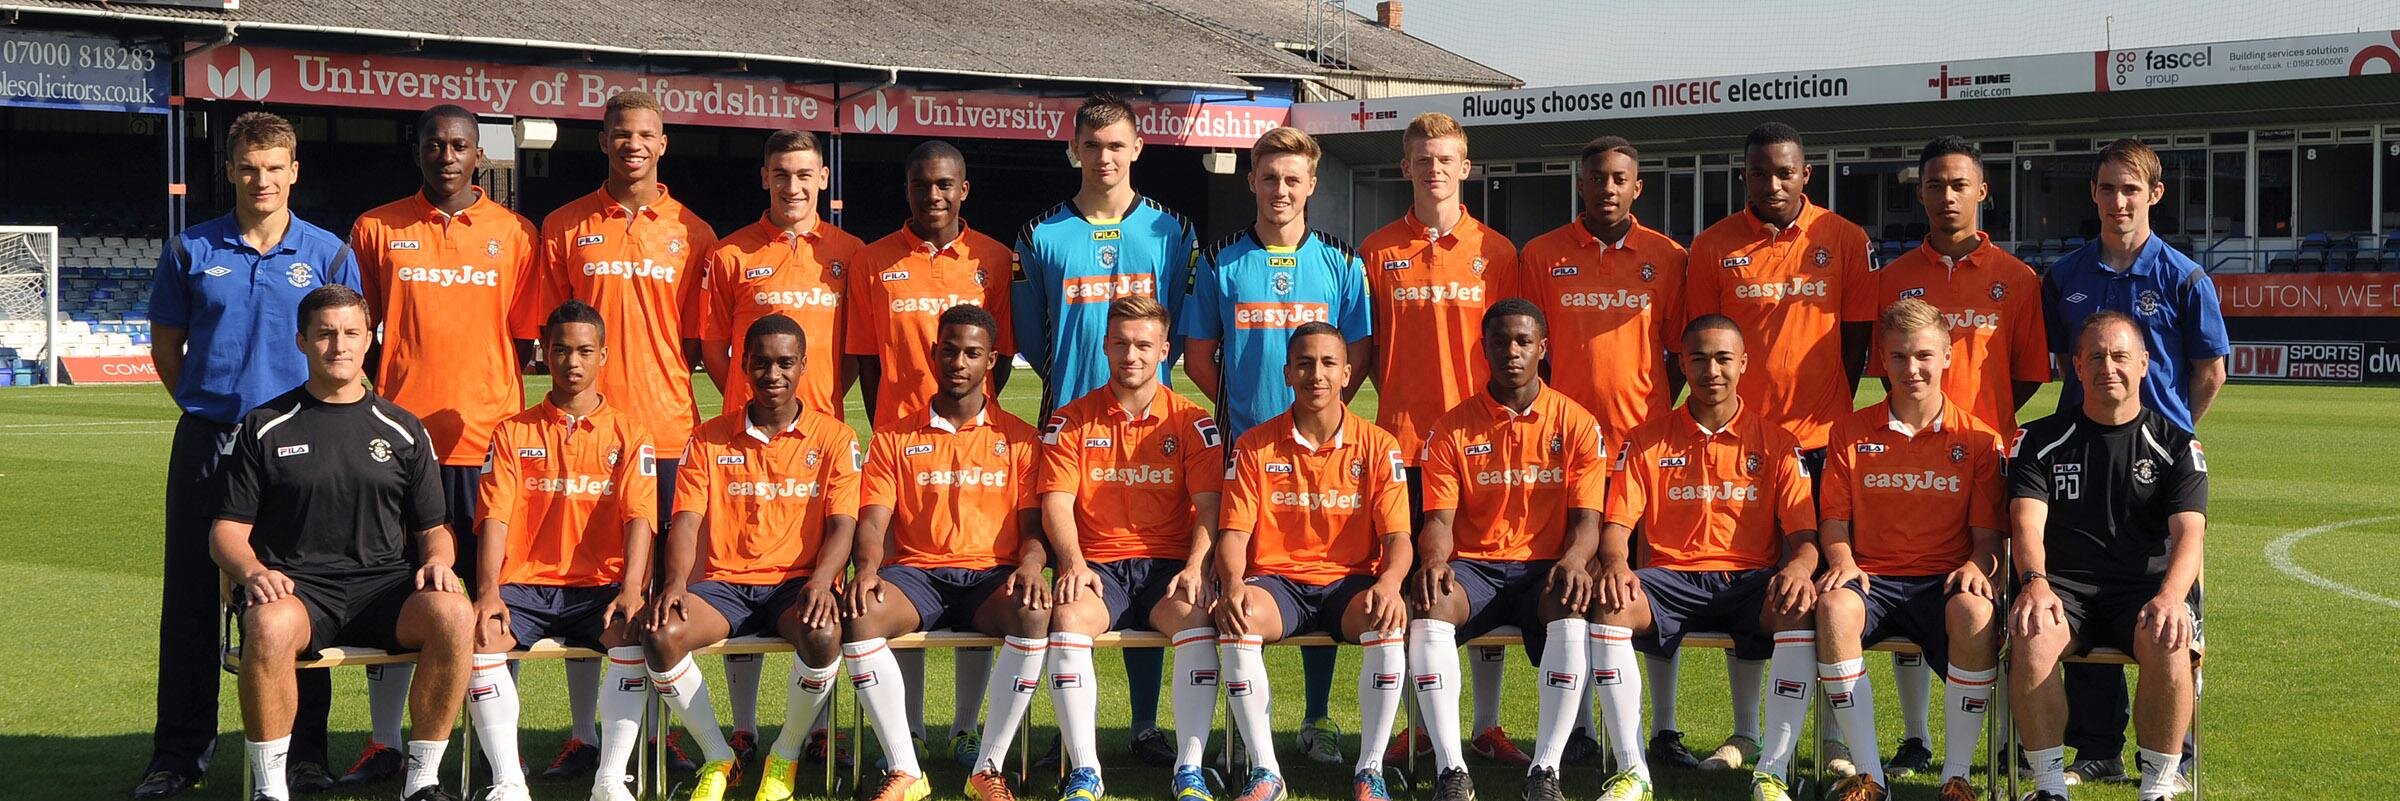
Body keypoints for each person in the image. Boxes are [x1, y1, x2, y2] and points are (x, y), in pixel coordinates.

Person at [139, 110, 362, 800]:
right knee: (191, 602)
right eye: (248, 168)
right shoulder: (191, 249)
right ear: (231, 171)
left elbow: (346, 344)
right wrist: (207, 404)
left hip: (298, 446)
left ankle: (305, 755)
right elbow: (167, 345)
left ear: (294, 171)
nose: (261, 180)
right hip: (210, 442)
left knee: (301, 597)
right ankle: (177, 757)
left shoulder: (328, 253)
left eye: (273, 168)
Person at [346, 103, 545, 786]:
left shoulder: (515, 234)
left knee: (493, 595)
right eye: (436, 144)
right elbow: (360, 326)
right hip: (399, 445)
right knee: (399, 589)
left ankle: (500, 749)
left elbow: (524, 338)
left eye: (460, 145)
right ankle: (384, 742)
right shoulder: (376, 227)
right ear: (419, 150)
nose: (448, 156)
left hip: (490, 443)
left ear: (478, 155)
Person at [212, 285, 473, 801]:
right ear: (302, 341)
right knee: (267, 623)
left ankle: (422, 781)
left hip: (383, 591)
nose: (339, 345)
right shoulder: (264, 426)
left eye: (352, 333)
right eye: (325, 334)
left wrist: (439, 561)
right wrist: (253, 572)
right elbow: (227, 532)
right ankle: (270, 788)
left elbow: (433, 528)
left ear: (369, 339)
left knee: (453, 614)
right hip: (299, 590)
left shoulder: (403, 428)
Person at [1682, 121, 1874, 774]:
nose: (1773, 183)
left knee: (1825, 590)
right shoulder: (1713, 245)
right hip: (1745, 444)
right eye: (1760, 172)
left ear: (1806, 174)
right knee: (1753, 581)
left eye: (1785, 171)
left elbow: (1855, 341)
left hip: (1821, 445)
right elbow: (1705, 339)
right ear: (1744, 176)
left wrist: (1826, 409)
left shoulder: (1843, 238)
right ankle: (1745, 734)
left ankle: (1835, 740)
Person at [1011, 95, 1199, 761]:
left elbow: (1178, 329)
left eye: (1116, 144)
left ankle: (1146, 725)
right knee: (1072, 577)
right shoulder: (1039, 233)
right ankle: (1068, 741)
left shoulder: (1173, 231)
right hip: (1072, 427)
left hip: (1151, 428)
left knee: (1146, 557)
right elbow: (1031, 337)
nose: (1104, 157)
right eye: (1091, 145)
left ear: (1138, 147)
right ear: (1074, 151)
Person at [1857, 135, 2047, 776]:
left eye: (1959, 184)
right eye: (1935, 185)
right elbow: (1882, 367)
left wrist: (1979, 421)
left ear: (1982, 191)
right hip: (1906, 454)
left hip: (1987, 458)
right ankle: (1915, 738)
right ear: (1920, 194)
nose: (1947, 196)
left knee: (1992, 600)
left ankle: (2004, 740)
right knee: (1907, 581)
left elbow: (2026, 375)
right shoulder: (1890, 279)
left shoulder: (2017, 279)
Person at [2039, 138, 2227, 784]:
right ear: (2093, 194)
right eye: (2107, 188)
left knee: (2170, 602)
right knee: (2080, 587)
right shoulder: (2064, 276)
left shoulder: (2185, 277)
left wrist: (2171, 440)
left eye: (2131, 188)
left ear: (2155, 194)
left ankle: (2174, 758)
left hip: (2158, 467)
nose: (2118, 200)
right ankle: (2098, 748)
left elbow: (2210, 371)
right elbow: (2057, 361)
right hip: (2080, 460)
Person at [1181, 127, 1370, 760]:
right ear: (1251, 182)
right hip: (1247, 454)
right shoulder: (1221, 260)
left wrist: (1317, 415)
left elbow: (1358, 355)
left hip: (1320, 455)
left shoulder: (1342, 261)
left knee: (1323, 571)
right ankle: (1238, 731)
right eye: (1269, 178)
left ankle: (1317, 719)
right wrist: (1248, 417)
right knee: (1236, 586)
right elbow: (1199, 356)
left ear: (1312, 183)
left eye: (1293, 179)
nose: (1280, 190)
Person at [627, 313, 861, 801]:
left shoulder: (836, 438)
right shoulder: (707, 438)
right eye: (761, 363)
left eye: (785, 363)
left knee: (823, 635)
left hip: (797, 585)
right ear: (743, 365)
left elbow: (843, 525)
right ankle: (719, 756)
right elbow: (686, 521)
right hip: (725, 586)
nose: (772, 374)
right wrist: (675, 582)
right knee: (660, 634)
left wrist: (822, 581)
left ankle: (785, 754)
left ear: (803, 365)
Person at [1587, 315, 1821, 801]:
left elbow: (1805, 539)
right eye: (1698, 359)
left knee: (1799, 607)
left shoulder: (1779, 444)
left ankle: (1772, 772)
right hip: (1670, 579)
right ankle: (1633, 771)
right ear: (1681, 364)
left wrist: (1799, 569)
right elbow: (1616, 531)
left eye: (1723, 359)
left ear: (1744, 363)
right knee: (1610, 605)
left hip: (1749, 580)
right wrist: (1615, 565)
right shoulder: (1646, 440)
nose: (1711, 370)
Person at [1357, 113, 1526, 769]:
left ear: (1466, 167)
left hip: (1483, 446)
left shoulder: (1498, 251)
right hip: (1403, 446)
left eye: (1446, 159)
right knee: (1410, 587)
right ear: (1405, 167)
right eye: (1423, 159)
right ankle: (1419, 726)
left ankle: (1486, 723)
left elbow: (1514, 351)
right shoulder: (1377, 250)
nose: (1435, 169)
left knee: (1479, 573)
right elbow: (1369, 350)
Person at [1514, 135, 1690, 767]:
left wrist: (1657, 418)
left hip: (1646, 451)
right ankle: (1581, 728)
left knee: (1651, 584)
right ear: (1580, 183)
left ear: (1637, 187)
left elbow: (1680, 351)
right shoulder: (1541, 254)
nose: (1608, 188)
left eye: (1620, 179)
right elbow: (1532, 352)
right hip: (1567, 451)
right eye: (1597, 177)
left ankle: (1663, 730)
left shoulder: (1668, 256)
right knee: (1581, 580)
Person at [693, 129, 866, 758]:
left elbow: (854, 350)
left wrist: (818, 401)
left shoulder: (850, 254)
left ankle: (815, 731)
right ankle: (743, 726)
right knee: (738, 562)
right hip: (747, 439)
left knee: (817, 584)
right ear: (764, 178)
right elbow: (714, 346)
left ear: (823, 178)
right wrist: (753, 403)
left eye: (803, 174)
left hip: (819, 443)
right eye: (780, 174)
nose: (792, 186)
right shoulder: (730, 252)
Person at [845, 305, 1051, 801]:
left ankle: (988, 767)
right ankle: (906, 768)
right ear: (934, 353)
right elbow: (872, 520)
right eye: (951, 351)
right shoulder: (893, 437)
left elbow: (1033, 528)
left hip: (989, 578)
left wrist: (1030, 565)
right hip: (917, 575)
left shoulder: (1020, 439)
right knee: (860, 615)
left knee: (1033, 613)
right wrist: (866, 570)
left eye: (972, 353)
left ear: (991, 361)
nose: (959, 362)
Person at [1807, 298, 2009, 801]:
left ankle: (1956, 778)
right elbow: (1833, 522)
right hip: (1871, 580)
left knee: (1974, 610)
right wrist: (1842, 560)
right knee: (1832, 608)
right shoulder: (1849, 432)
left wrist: (1975, 566)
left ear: (1947, 356)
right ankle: (1869, 777)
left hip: (1942, 582)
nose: (1911, 368)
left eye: (1923, 355)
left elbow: (1989, 539)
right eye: (1898, 356)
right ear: (1881, 360)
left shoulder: (1980, 440)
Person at [1407, 299, 1606, 801]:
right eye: (1500, 342)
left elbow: (1587, 522)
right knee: (1430, 603)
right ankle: (1452, 771)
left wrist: (1575, 560)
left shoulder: (1578, 423)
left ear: (1543, 347)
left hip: (1545, 571)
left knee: (1571, 601)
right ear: (1484, 349)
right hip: (1475, 570)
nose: (1511, 351)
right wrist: (1434, 560)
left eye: (1523, 341)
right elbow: (1438, 521)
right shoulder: (1451, 428)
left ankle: (1545, 769)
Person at [2007, 311, 2207, 801]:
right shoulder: (2039, 440)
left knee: (2168, 633)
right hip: (2063, 590)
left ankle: (2158, 785)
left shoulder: (2177, 445)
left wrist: (2171, 598)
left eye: (2120, 356)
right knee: (2031, 633)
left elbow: (2190, 535)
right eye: (2095, 357)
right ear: (2077, 366)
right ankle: (2049, 786)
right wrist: (2035, 582)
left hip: (2144, 591)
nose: (2108, 367)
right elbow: (2026, 522)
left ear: (2144, 363)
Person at [463, 300, 658, 801]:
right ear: (544, 354)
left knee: (632, 634)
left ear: (603, 355)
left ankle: (609, 779)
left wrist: (632, 590)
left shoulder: (630, 433)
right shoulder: (511, 432)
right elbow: (494, 517)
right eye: (561, 350)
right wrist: (488, 591)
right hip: (524, 586)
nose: (573, 362)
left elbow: (640, 518)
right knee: (480, 636)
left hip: (599, 588)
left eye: (585, 351)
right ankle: (508, 781)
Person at [1214, 321, 1413, 801]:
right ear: (1287, 373)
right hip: (1278, 583)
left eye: (1327, 363)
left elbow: (1399, 538)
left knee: (1386, 621)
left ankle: (1370, 770)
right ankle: (1266, 772)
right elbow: (1233, 535)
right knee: (1239, 620)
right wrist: (1234, 584)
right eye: (1304, 364)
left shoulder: (1379, 445)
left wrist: (1389, 583)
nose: (1316, 374)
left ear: (1347, 373)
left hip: (1349, 582)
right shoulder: (1254, 446)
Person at [1039, 295, 1226, 801]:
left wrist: (1196, 566)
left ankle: (1189, 769)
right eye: (1121, 343)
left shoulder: (1192, 421)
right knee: (1068, 616)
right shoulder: (1070, 421)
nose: (1131, 355)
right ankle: (1085, 769)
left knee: (1196, 618)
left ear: (1165, 350)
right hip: (1099, 566)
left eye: (1144, 345)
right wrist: (1072, 563)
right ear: (1105, 346)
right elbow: (1056, 502)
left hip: (1168, 567)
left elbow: (1210, 506)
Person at [535, 89, 716, 526]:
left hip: (667, 426)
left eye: (645, 135)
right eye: (621, 134)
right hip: (586, 423)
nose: (633, 145)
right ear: (603, 141)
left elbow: (693, 338)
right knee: (588, 553)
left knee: (668, 554)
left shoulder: (695, 234)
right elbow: (552, 328)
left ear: (662, 144)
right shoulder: (562, 226)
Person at [847, 140, 1016, 429]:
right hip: (900, 431)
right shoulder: (869, 261)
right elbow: (868, 360)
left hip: (973, 431)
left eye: (944, 185)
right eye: (921, 186)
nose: (933, 196)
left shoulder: (997, 258)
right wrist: (885, 429)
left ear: (963, 190)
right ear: (907, 191)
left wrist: (965, 408)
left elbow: (1003, 353)